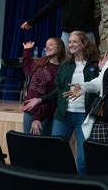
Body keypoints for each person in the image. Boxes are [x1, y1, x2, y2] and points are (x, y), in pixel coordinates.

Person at [22, 31, 101, 174]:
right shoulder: (65, 66)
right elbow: (57, 91)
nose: (71, 44)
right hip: (62, 117)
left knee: (83, 161)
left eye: (75, 41)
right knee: (55, 156)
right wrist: (40, 99)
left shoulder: (94, 66)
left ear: (83, 44)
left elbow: (99, 87)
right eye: (69, 41)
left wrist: (102, 70)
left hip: (83, 117)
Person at [21, 37, 66, 135]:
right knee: (26, 144)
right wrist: (27, 51)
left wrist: (38, 117)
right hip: (29, 110)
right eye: (46, 46)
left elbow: (53, 97)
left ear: (59, 48)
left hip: (43, 115)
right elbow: (28, 68)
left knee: (40, 147)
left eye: (50, 45)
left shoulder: (61, 70)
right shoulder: (42, 61)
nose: (47, 47)